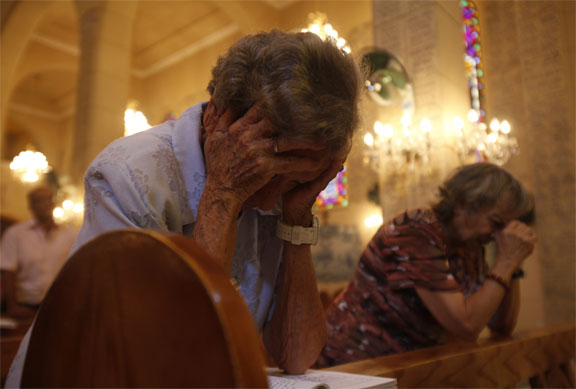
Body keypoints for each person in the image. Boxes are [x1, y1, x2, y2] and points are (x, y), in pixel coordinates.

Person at [6, 29, 363, 386]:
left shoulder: (282, 199)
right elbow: (168, 353)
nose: (272, 201)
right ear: (216, 118)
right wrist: (224, 192)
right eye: (270, 177)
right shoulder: (129, 173)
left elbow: (297, 356)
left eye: (298, 181)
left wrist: (297, 218)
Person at [316, 163, 536, 367]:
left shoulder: (469, 247)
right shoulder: (414, 230)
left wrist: (513, 263)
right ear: (464, 205)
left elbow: (501, 326)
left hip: (404, 368)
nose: (500, 235)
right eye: (497, 223)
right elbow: (467, 325)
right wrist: (507, 260)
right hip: (352, 367)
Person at [0, 186, 77, 318]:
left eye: (49, 200)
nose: (46, 204)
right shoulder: (15, 234)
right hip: (25, 304)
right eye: (40, 200)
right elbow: (8, 272)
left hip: (58, 305)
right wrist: (13, 307)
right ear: (31, 205)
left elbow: (76, 270)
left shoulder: (70, 235)